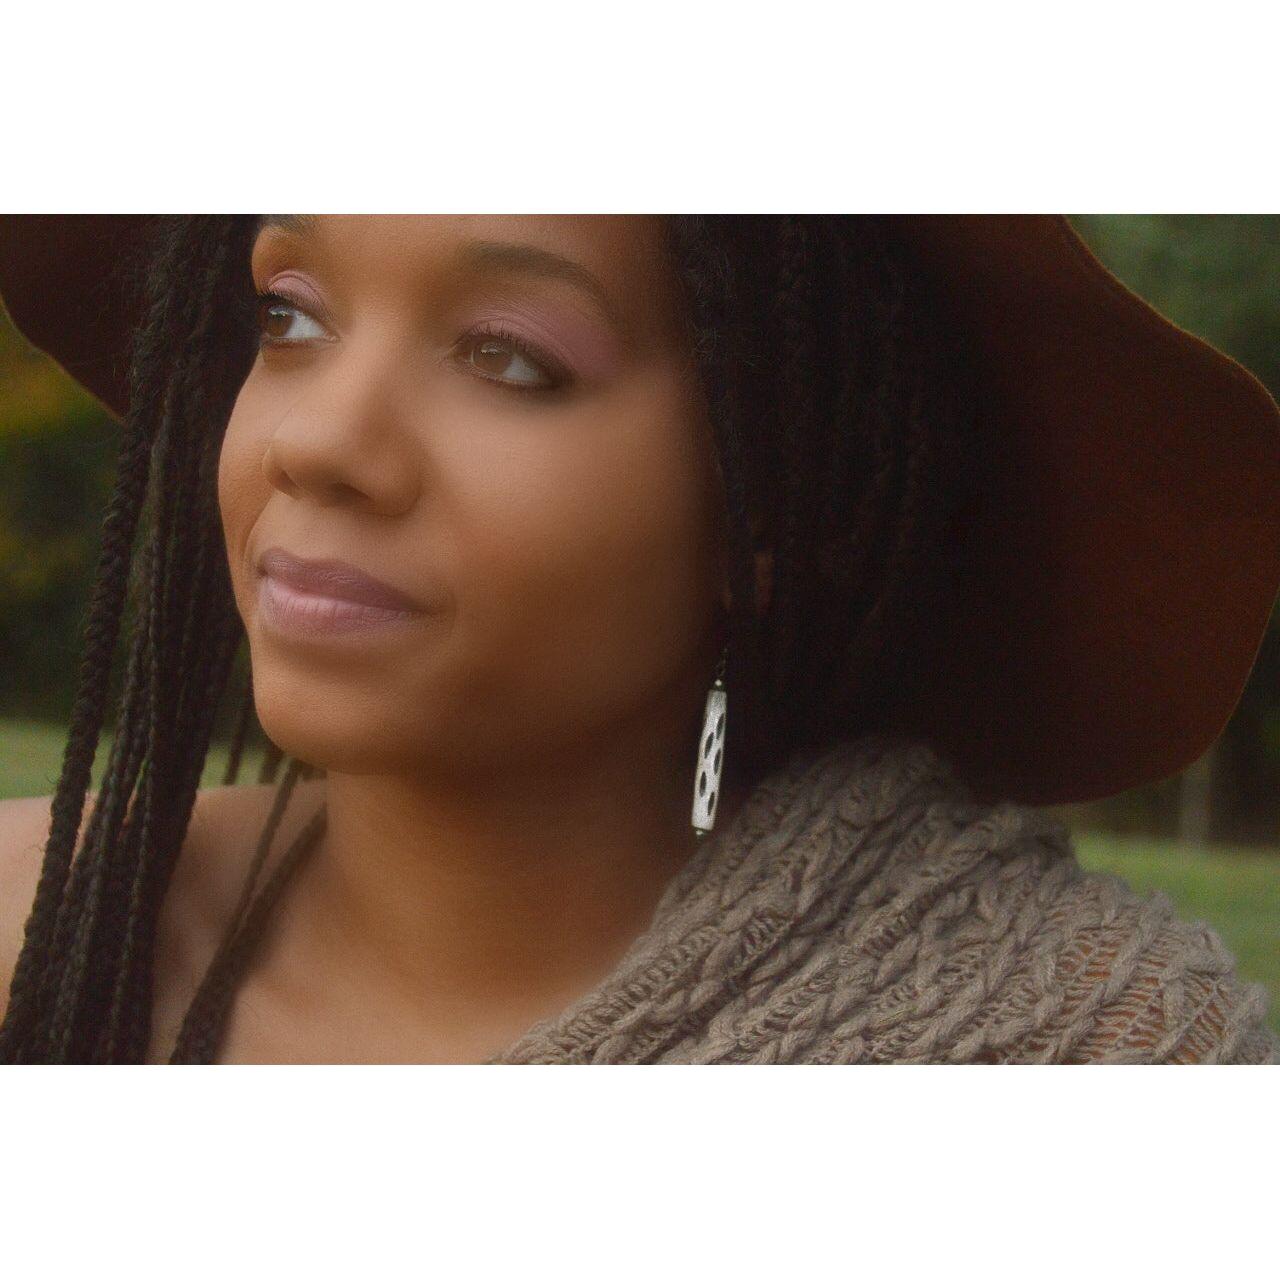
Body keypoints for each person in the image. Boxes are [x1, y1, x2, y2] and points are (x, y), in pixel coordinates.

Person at [0, 214, 1276, 1064]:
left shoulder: (1072, 1065)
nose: (317, 438)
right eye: (290, 316)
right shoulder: (34, 934)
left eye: (506, 359)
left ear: (766, 502)